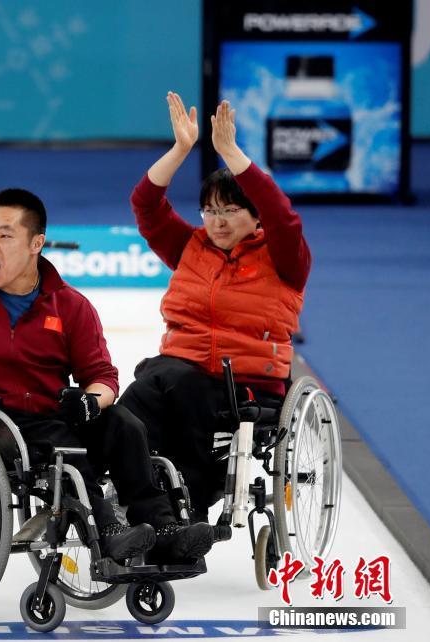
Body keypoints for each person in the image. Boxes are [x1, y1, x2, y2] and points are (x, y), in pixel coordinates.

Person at [0, 188, 213, 565]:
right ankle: (107, 531)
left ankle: (164, 530)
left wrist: (91, 401)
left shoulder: (70, 305)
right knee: (60, 445)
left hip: (52, 416)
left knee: (124, 424)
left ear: (36, 244)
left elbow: (102, 376)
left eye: (4, 235)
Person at [118, 92, 311, 528]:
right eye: (208, 210)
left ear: (255, 216)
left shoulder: (284, 256)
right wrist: (180, 149)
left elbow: (283, 216)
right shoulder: (190, 245)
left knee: (180, 388)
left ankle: (189, 511)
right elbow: (145, 205)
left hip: (245, 381)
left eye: (229, 210)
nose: (216, 221)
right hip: (177, 370)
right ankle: (132, 507)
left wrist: (230, 153)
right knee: (132, 406)